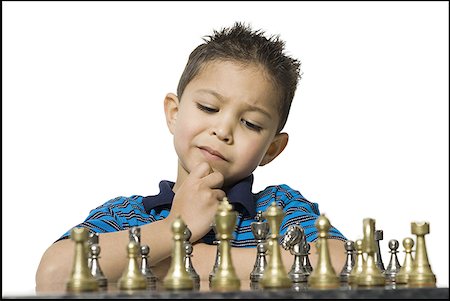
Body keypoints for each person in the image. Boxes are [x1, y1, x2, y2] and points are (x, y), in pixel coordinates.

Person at [36, 22, 347, 292]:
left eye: (250, 123)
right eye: (208, 108)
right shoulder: (126, 215)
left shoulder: (281, 209)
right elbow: (54, 275)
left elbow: (342, 265)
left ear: (272, 149)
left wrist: (180, 259)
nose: (223, 130)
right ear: (174, 113)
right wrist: (174, 225)